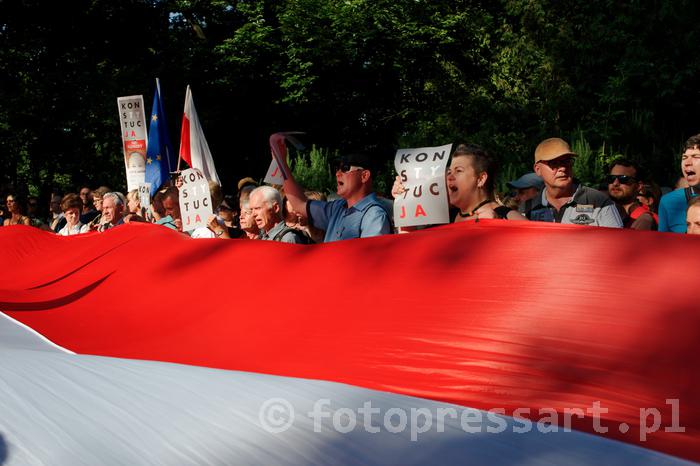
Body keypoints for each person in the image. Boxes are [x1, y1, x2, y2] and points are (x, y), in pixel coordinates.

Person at [281, 152, 392, 242]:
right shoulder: (336, 208)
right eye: (336, 169)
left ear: (364, 176)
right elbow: (299, 204)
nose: (337, 173)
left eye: (345, 168)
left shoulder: (374, 215)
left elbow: (370, 263)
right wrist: (281, 160)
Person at [527, 137, 623, 227]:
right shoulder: (528, 207)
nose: (563, 168)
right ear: (538, 169)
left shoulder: (598, 201)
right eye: (554, 163)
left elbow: (618, 241)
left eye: (567, 161)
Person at [658, 134, 700, 233]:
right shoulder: (668, 201)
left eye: (695, 157)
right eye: (684, 157)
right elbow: (663, 245)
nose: (687, 163)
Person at [606, 158, 657, 230]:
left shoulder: (646, 219)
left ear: (638, 186)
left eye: (623, 179)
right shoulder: (598, 211)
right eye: (611, 178)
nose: (615, 183)